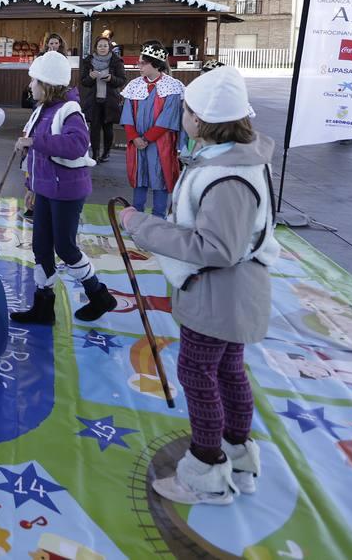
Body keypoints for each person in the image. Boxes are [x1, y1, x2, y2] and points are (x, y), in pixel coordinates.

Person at [121, 66, 273, 506]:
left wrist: (143, 227)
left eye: (185, 109)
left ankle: (205, 473)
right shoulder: (229, 157)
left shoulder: (228, 174)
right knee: (226, 370)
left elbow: (217, 247)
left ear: (200, 119)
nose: (181, 114)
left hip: (219, 292)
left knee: (198, 373)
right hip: (225, 292)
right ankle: (237, 458)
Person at [11, 51, 116, 325]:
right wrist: (30, 185)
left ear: (47, 84)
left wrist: (34, 142)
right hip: (45, 189)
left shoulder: (69, 111)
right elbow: (35, 154)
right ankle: (43, 307)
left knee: (66, 249)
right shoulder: (42, 110)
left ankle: (99, 295)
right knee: (41, 247)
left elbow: (76, 145)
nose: (30, 85)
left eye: (33, 80)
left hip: (67, 191)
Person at [122, 41, 184, 217]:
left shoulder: (172, 86)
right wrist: (134, 137)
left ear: (155, 64)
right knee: (139, 176)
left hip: (160, 143)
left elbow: (168, 118)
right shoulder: (134, 85)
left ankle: (159, 216)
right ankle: (137, 214)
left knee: (160, 177)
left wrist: (147, 139)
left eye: (142, 63)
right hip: (137, 142)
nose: (138, 66)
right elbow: (127, 115)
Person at [80, 35, 127, 163]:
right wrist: (90, 77)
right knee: (94, 128)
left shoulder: (116, 61)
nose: (102, 48)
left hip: (110, 100)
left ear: (109, 47)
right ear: (96, 47)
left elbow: (122, 80)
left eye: (105, 46)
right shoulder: (88, 61)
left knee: (108, 128)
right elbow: (84, 81)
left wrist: (111, 79)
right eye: (100, 46)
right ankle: (94, 154)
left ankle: (106, 153)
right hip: (93, 100)